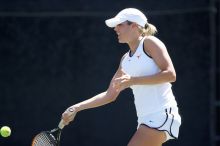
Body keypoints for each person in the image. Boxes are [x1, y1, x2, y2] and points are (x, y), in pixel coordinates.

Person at [61, 8, 181, 146]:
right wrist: (76, 107)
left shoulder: (150, 42)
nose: (115, 29)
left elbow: (171, 74)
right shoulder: (125, 60)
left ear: (134, 26)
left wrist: (133, 81)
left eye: (120, 25)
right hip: (144, 120)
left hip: (162, 114)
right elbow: (109, 95)